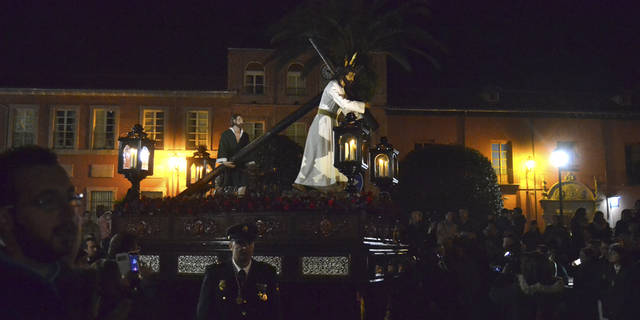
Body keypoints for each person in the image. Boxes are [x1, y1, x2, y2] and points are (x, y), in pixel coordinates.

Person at [0, 146, 81, 319]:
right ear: (6, 218)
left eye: (70, 198)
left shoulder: (83, 289)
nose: (69, 213)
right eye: (47, 201)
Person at [293, 53, 368, 192]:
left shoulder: (341, 89)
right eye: (351, 75)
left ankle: (329, 181)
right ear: (343, 75)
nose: (353, 78)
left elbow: (343, 109)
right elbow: (342, 103)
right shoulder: (332, 86)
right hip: (323, 123)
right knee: (320, 151)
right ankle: (311, 181)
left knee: (331, 152)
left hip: (331, 123)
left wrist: (358, 116)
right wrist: (362, 106)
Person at [197, 222, 281, 320]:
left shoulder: (267, 273)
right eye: (240, 243)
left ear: (253, 246)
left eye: (249, 243)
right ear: (230, 246)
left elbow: (275, 312)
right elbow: (203, 314)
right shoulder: (215, 273)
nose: (244, 248)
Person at [216, 114, 253, 196]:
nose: (241, 120)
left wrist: (250, 162)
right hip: (230, 165)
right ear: (234, 121)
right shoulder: (226, 134)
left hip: (242, 166)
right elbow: (222, 147)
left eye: (242, 119)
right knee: (229, 187)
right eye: (239, 119)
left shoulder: (245, 135)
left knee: (242, 187)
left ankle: (240, 203)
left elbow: (248, 149)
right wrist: (224, 162)